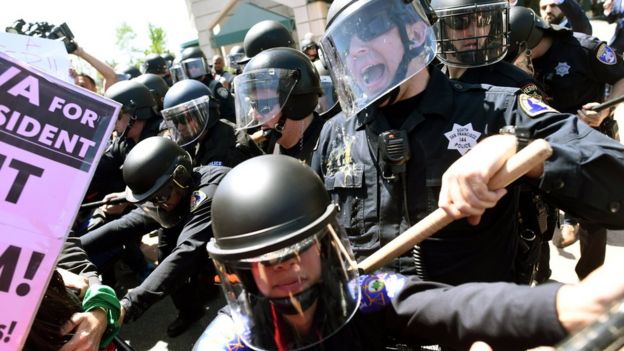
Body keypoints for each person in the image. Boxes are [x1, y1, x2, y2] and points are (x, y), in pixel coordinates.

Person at [311, 0, 624, 285]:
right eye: (345, 42)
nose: (356, 50)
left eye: (370, 28)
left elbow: (616, 182)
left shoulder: (499, 110)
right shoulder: (335, 136)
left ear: (416, 31)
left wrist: (514, 145)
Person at [195, 154, 624, 350]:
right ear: (243, 271)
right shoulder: (227, 343)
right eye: (267, 259)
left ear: (324, 246)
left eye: (298, 248)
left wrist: (562, 305)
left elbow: (454, 307)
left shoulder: (364, 295)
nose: (286, 267)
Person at [431, 0, 553, 283]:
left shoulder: (515, 84)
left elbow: (550, 143)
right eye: (460, 23)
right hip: (445, 227)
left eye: (482, 21)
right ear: (440, 25)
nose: (474, 31)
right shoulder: (428, 81)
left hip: (508, 220)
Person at [507, 6, 624, 280]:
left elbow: (621, 76)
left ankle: (590, 279)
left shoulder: (584, 48)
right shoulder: (516, 61)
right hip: (543, 147)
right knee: (537, 212)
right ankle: (541, 271)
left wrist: (603, 111)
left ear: (530, 43)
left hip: (589, 143)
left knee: (593, 216)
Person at [80, 137, 230, 337]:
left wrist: (127, 306)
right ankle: (191, 311)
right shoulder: (166, 197)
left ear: (181, 176)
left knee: (181, 262)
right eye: (149, 201)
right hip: (189, 226)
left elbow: (187, 252)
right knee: (166, 255)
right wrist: (71, 248)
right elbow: (123, 227)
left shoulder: (206, 194)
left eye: (158, 198)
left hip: (248, 248)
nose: (156, 206)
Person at [233, 47, 325, 164]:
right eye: (252, 104)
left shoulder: (329, 147)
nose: (254, 115)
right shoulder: (268, 147)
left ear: (295, 103)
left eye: (263, 105)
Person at [161, 79, 263, 167]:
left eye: (184, 119)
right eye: (175, 121)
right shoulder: (201, 138)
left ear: (206, 113)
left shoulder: (228, 150)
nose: (180, 127)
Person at [176, 46, 236, 123]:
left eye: (196, 65)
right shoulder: (184, 92)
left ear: (203, 64)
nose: (193, 69)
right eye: (190, 67)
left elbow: (230, 115)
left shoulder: (214, 86)